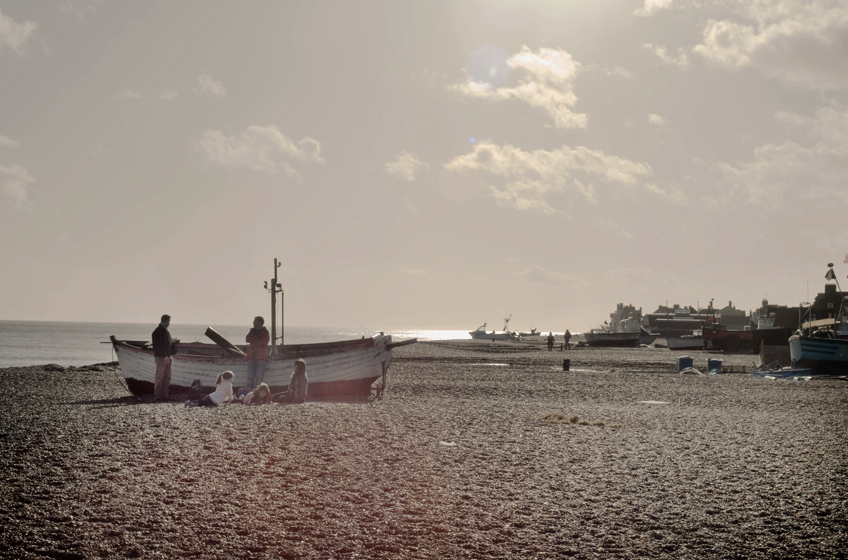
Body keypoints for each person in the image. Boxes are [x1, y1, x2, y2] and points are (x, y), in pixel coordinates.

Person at [152, 314, 179, 400]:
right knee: (160, 377)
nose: (169, 323)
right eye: (168, 321)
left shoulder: (166, 331)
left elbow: (168, 344)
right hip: (161, 358)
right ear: (165, 321)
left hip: (167, 357)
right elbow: (158, 346)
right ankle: (157, 396)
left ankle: (165, 396)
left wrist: (172, 351)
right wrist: (164, 356)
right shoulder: (157, 332)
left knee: (167, 377)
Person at [245, 316, 271, 391]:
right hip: (252, 356)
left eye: (255, 321)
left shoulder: (265, 332)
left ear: (259, 322)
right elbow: (247, 339)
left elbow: (263, 342)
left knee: (259, 377)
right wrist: (257, 341)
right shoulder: (252, 331)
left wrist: (252, 345)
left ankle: (257, 393)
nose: (253, 322)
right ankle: (249, 392)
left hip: (261, 357)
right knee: (250, 376)